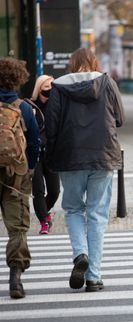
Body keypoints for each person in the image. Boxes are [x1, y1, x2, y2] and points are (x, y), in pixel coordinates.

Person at [45, 48, 125, 292]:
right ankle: (94, 276)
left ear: (72, 65)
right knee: (97, 214)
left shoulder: (58, 87)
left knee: (73, 209)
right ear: (93, 63)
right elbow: (120, 118)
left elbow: (51, 125)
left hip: (70, 157)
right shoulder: (107, 82)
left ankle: (80, 254)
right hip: (102, 155)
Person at [0, 57, 40, 299]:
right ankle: (15, 277)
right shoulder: (24, 107)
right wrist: (30, 169)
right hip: (16, 177)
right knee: (17, 228)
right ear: (19, 79)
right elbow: (35, 144)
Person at [26, 75, 60, 235]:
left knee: (54, 191)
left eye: (52, 86)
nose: (50, 90)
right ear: (39, 89)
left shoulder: (57, 105)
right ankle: (44, 221)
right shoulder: (28, 106)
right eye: (46, 87)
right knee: (38, 190)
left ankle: (44, 212)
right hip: (35, 153)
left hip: (52, 154)